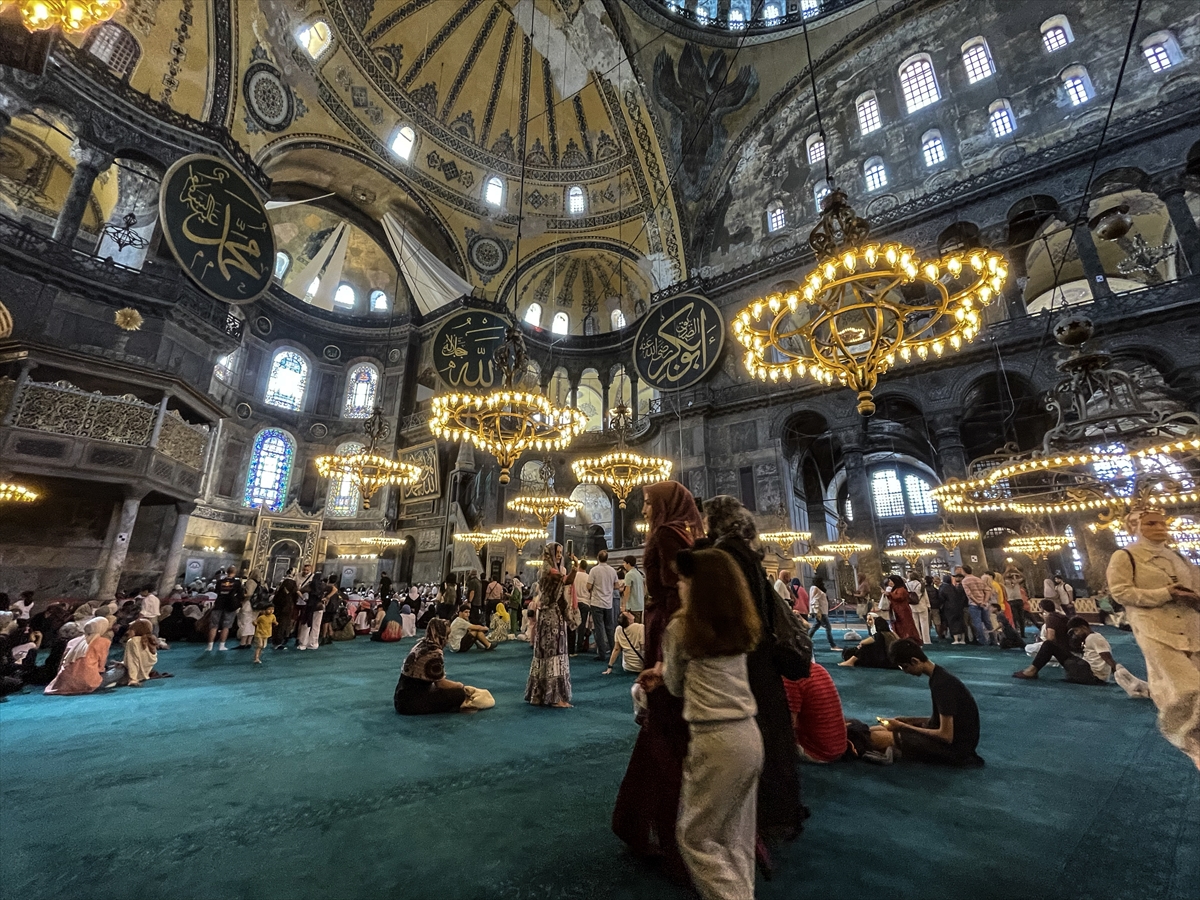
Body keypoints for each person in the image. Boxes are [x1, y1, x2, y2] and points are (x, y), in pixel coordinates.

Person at [612, 481, 705, 881]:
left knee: (664, 722)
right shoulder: (684, 531)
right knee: (666, 724)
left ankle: (661, 832)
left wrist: (669, 651)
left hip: (665, 624)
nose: (645, 509)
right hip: (667, 623)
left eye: (649, 503)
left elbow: (674, 586)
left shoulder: (668, 534)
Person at [702, 494, 806, 849]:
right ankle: (783, 807)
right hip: (764, 655)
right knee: (773, 729)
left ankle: (770, 813)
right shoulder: (751, 555)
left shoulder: (728, 556)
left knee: (760, 731)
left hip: (749, 654)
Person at [663, 547, 764, 900]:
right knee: (735, 836)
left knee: (697, 839)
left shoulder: (682, 626)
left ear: (698, 585)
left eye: (683, 579)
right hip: (749, 735)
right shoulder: (738, 623)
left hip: (714, 739)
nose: (679, 586)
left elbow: (674, 684)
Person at [1107, 508, 1200, 769]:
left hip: (1191, 628)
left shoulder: (1177, 556)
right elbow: (1120, 592)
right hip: (1154, 628)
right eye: (1151, 523)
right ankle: (1193, 746)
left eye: (1162, 522)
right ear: (1134, 527)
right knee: (1187, 687)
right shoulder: (1125, 556)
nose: (1159, 527)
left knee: (1168, 684)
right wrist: (1165, 593)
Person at [868, 640, 984, 767]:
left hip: (955, 750)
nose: (905, 672)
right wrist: (908, 720)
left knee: (874, 737)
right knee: (875, 729)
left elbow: (946, 736)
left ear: (915, 661)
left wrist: (902, 726)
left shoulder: (942, 684)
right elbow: (942, 720)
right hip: (958, 743)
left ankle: (893, 750)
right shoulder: (939, 676)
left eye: (904, 667)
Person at [525, 542, 572, 708]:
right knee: (552, 653)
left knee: (549, 654)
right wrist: (577, 566)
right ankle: (554, 697)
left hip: (551, 615)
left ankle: (541, 694)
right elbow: (564, 580)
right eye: (557, 552)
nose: (559, 555)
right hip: (550, 617)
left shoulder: (550, 568)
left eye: (561, 552)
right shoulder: (548, 569)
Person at [393, 618, 469, 715]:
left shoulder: (420, 644)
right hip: (410, 705)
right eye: (447, 635)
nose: (448, 638)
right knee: (459, 694)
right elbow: (441, 684)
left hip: (400, 699)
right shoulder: (434, 653)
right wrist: (460, 685)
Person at [782, 662, 847, 763]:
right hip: (837, 747)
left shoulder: (791, 678)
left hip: (817, 752)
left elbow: (788, 726)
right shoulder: (817, 668)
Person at [45, 617, 112, 695]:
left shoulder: (73, 641)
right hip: (88, 683)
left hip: (64, 683)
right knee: (120, 670)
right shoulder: (103, 642)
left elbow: (62, 662)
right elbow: (101, 667)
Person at [1013, 599, 1073, 679]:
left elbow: (1050, 638)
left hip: (1063, 650)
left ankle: (1034, 670)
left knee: (1031, 648)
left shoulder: (1051, 618)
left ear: (1042, 608)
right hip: (1070, 649)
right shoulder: (1060, 616)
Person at [588, 549, 620, 663]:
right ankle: (613, 651)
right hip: (608, 603)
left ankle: (602, 654)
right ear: (607, 559)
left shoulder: (594, 570)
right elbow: (616, 586)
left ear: (598, 558)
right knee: (610, 628)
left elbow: (588, 586)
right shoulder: (612, 570)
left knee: (599, 629)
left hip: (596, 603)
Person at [206, 567, 244, 651]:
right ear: (235, 572)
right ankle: (221, 645)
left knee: (214, 626)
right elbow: (240, 594)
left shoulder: (220, 582)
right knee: (226, 626)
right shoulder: (237, 583)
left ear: (227, 572)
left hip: (218, 604)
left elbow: (217, 592)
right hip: (230, 606)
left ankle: (210, 646)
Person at [960, 565, 996, 646]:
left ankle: (982, 640)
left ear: (963, 571)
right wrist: (984, 601)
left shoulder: (965, 581)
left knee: (977, 623)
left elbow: (969, 594)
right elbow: (988, 590)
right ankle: (993, 639)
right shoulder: (978, 579)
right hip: (984, 603)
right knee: (988, 622)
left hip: (974, 604)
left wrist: (977, 602)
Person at [121, 618, 158, 686]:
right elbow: (151, 660)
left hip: (130, 674)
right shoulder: (150, 640)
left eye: (130, 629)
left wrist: (133, 678)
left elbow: (132, 661)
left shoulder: (132, 641)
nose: (128, 631)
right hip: (145, 673)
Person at [807, 577, 840, 651]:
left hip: (822, 611)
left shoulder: (816, 588)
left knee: (814, 628)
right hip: (820, 612)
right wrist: (817, 611)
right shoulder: (815, 588)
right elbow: (814, 600)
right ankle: (833, 645)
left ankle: (805, 642)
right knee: (828, 628)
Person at [884, 575, 919, 642]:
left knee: (906, 625)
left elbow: (899, 598)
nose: (889, 582)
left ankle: (909, 639)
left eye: (890, 581)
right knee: (898, 625)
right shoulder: (895, 589)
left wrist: (890, 594)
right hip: (896, 610)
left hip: (902, 610)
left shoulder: (901, 589)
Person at [271, 577, 299, 650]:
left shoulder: (281, 592)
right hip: (284, 613)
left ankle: (278, 642)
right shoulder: (286, 595)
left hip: (281, 613)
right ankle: (277, 642)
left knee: (280, 628)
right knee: (281, 628)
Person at [940, 573, 968, 644]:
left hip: (949, 608)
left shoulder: (944, 588)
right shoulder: (955, 587)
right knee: (961, 622)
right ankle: (962, 639)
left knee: (952, 622)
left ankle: (956, 640)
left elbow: (941, 598)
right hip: (959, 607)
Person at [907, 571, 932, 644]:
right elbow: (925, 596)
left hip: (912, 606)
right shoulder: (921, 585)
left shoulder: (906, 585)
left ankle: (918, 638)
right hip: (922, 605)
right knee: (924, 623)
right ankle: (926, 640)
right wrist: (928, 605)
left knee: (915, 623)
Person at [621, 556, 645, 623]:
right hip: (640, 604)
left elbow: (627, 590)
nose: (623, 564)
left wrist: (623, 605)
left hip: (632, 605)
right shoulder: (638, 574)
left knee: (632, 627)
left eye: (624, 563)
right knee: (638, 627)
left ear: (628, 563)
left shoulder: (629, 575)